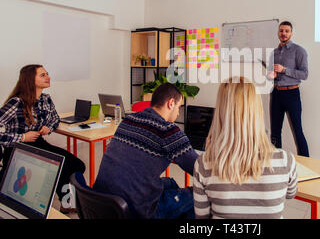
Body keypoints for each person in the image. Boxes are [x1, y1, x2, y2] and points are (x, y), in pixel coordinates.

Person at [193, 77, 298, 219]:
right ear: (257, 111)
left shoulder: (203, 164)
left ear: (221, 112)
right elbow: (291, 194)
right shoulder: (286, 161)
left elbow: (202, 217)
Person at [93, 83, 198, 219]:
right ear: (171, 103)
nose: (178, 113)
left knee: (170, 182)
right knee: (195, 194)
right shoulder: (168, 130)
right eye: (179, 107)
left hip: (101, 202)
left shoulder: (128, 120)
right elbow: (199, 170)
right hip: (136, 211)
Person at [0, 64, 86, 213]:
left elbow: (55, 119)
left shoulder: (46, 99)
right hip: (18, 148)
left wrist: (49, 127)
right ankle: (69, 202)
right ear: (29, 80)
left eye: (47, 74)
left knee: (77, 165)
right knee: (63, 167)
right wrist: (22, 137)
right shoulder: (16, 102)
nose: (48, 77)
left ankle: (67, 202)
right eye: (43, 75)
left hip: (39, 144)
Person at [268, 21, 310, 157]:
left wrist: (284, 69)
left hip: (292, 94)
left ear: (291, 33)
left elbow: (304, 74)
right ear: (278, 33)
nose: (283, 33)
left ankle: (307, 163)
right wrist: (271, 75)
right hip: (276, 94)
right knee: (275, 132)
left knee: (298, 131)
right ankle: (275, 161)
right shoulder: (273, 53)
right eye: (281, 31)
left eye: (286, 31)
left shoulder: (299, 51)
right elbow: (271, 77)